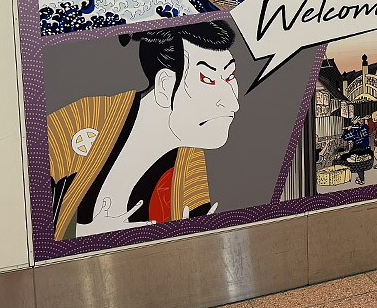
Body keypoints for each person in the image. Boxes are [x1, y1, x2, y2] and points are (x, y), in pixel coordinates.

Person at [48, 21, 236, 241]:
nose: (233, 103)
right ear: (165, 85)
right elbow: (22, 206)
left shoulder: (189, 158)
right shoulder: (87, 118)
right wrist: (80, 234)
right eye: (207, 79)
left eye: (230, 76)